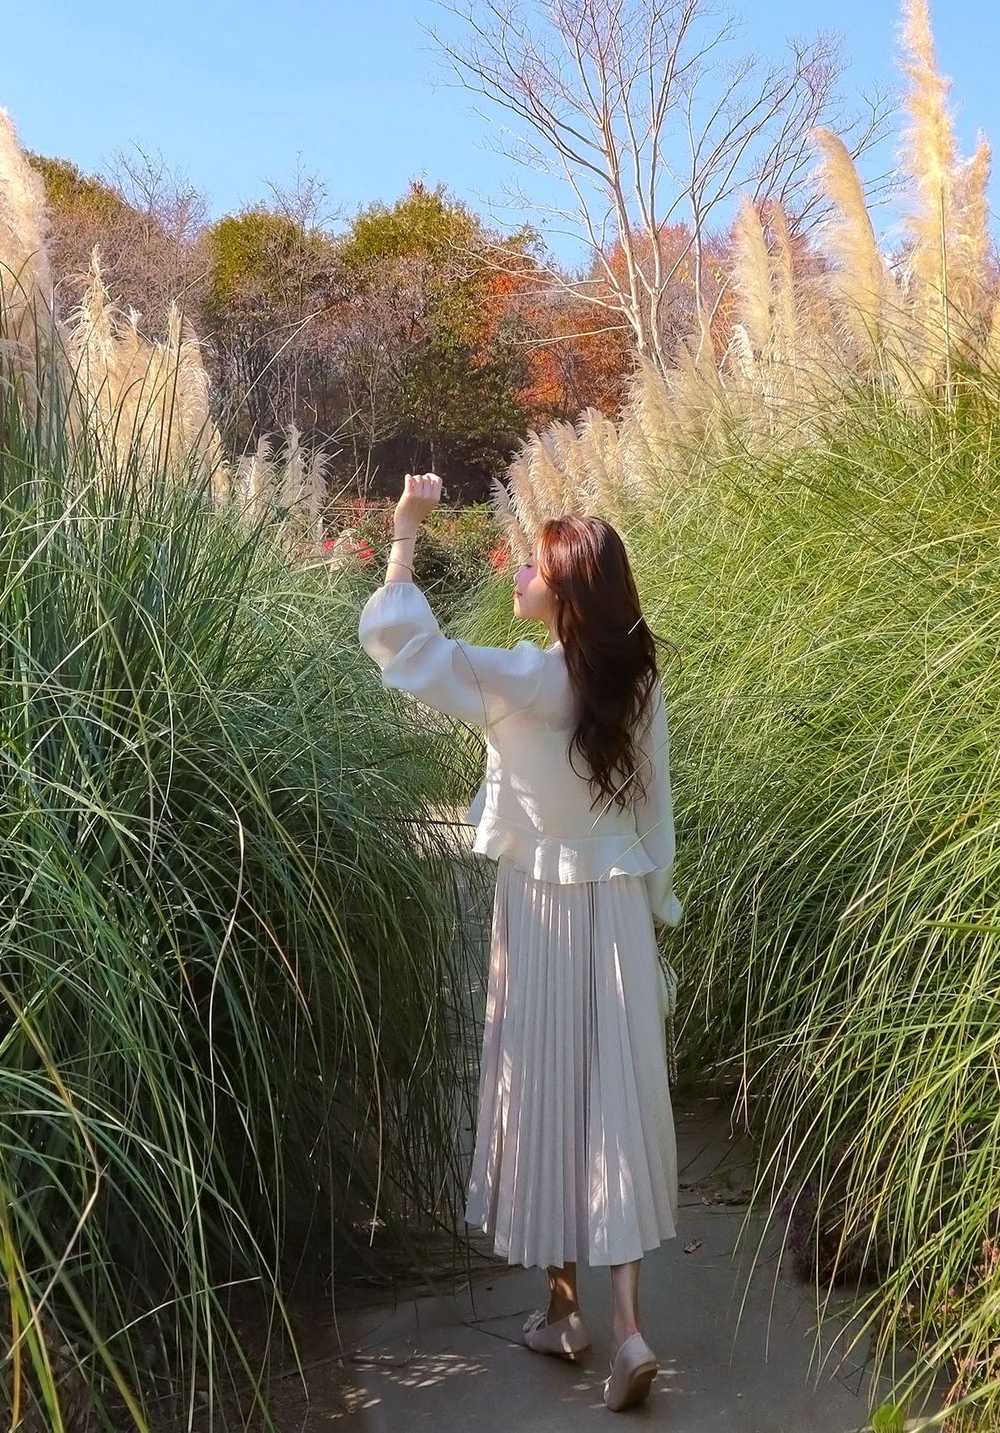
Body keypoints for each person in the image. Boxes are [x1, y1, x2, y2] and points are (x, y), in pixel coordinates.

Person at [359, 472, 681, 1413]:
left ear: (568, 591)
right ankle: (626, 1328)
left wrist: (406, 534)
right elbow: (657, 813)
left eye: (536, 566)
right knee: (615, 1103)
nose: (520, 572)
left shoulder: (522, 679)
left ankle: (563, 1312)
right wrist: (654, 907)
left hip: (538, 911)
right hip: (615, 910)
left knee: (542, 1092)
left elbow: (404, 646)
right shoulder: (637, 683)